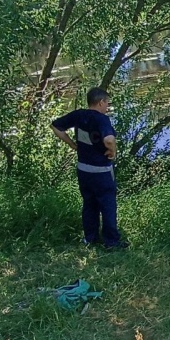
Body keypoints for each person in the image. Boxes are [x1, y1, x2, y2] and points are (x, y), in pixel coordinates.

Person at [51, 87, 128, 249]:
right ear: (101, 102)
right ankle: (111, 242)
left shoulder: (79, 115)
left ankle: (90, 238)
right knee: (107, 205)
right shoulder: (102, 120)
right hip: (101, 171)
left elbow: (56, 126)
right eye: (107, 103)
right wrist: (112, 151)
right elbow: (108, 139)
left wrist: (72, 144)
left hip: (83, 170)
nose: (107, 106)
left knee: (89, 204)